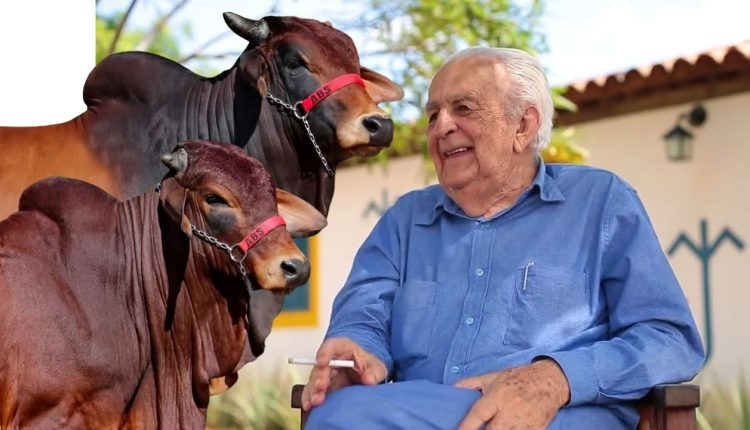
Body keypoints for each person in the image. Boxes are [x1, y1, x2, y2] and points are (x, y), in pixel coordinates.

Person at [301, 47, 705, 429]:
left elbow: (670, 340)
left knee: (344, 418)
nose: (442, 126)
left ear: (523, 126)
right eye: (433, 114)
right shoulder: (404, 222)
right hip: (418, 413)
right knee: (342, 410)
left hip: (555, 417)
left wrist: (554, 379)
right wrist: (356, 349)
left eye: (464, 108)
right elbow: (364, 316)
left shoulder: (600, 202)